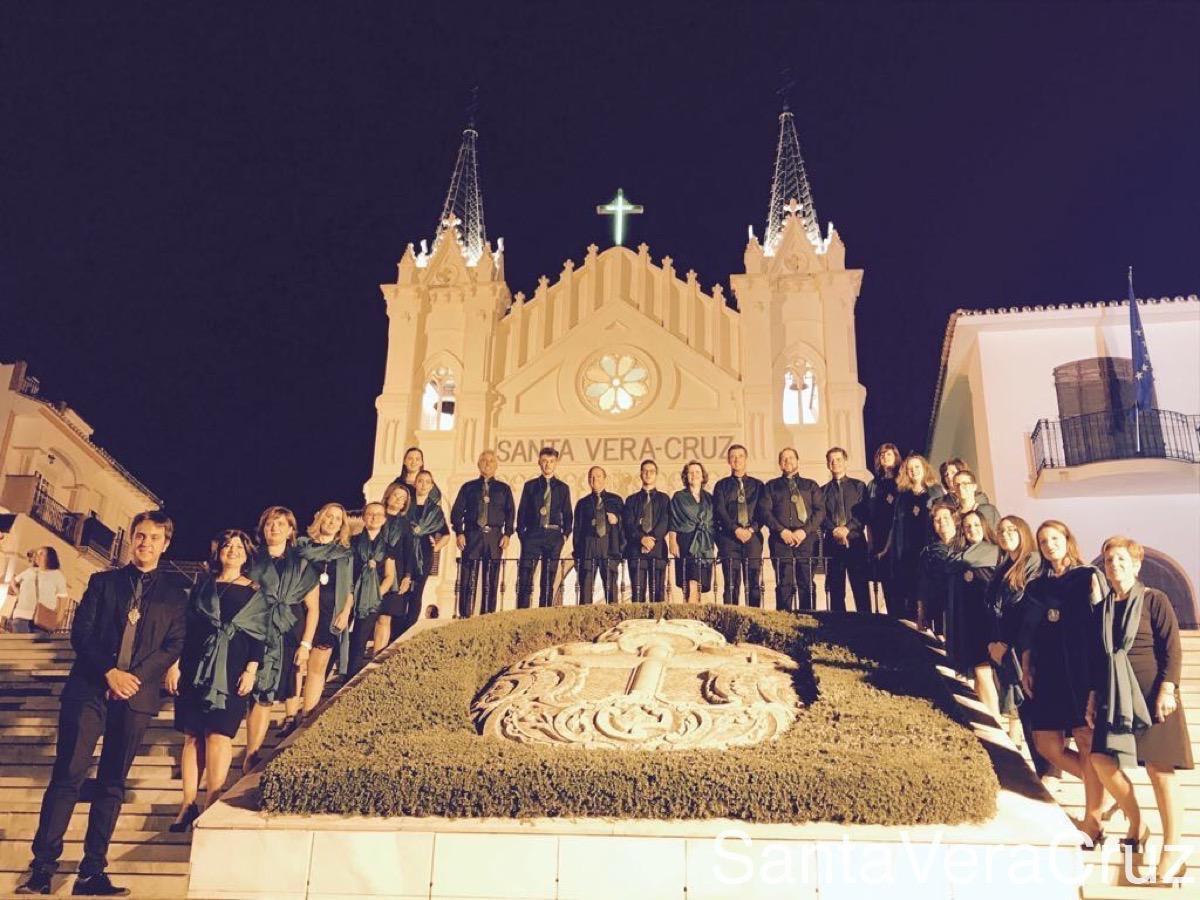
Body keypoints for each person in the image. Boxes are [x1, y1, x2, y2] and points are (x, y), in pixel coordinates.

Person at [18, 511, 187, 898]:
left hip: (136, 698)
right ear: (132, 539)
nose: (145, 543)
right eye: (140, 536)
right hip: (89, 690)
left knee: (112, 784)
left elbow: (174, 645)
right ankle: (42, 869)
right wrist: (110, 672)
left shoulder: (175, 597)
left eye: (154, 537)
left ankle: (92, 872)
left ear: (166, 543)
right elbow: (82, 634)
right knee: (68, 776)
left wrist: (133, 678)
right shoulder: (103, 582)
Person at [1089, 536, 1193, 883]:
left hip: (1152, 696)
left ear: (1136, 565)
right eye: (1108, 561)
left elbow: (1172, 650)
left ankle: (1173, 852)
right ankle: (1137, 821)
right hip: (1114, 698)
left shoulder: (1154, 600)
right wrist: (1093, 697)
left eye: (1121, 559)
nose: (1114, 565)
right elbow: (1098, 661)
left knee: (1160, 772)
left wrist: (1168, 688)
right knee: (1101, 760)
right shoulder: (1103, 608)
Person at [164, 529, 266, 832]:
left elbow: (259, 635)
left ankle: (212, 800)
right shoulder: (203, 586)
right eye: (227, 546)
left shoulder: (256, 591)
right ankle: (187, 803)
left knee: (219, 735)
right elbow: (186, 627)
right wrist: (175, 664)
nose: (232, 551)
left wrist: (251, 670)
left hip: (232, 668)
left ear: (247, 554)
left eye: (238, 547)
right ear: (218, 551)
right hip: (195, 664)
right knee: (193, 735)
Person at [1020, 519, 1106, 845]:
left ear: (1067, 540)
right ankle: (1104, 785)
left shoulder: (1088, 577)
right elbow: (1028, 630)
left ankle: (1093, 820)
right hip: (1048, 670)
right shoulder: (1036, 586)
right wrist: (1027, 664)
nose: (1049, 544)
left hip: (1080, 669)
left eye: (1054, 538)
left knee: (1085, 741)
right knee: (1046, 745)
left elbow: (1101, 623)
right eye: (1043, 541)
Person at [244, 507, 318, 769]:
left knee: (266, 693)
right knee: (251, 692)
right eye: (269, 524)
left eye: (280, 524)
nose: (274, 528)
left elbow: (313, 608)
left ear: (290, 531)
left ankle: (251, 753)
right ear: (263, 529)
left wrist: (306, 644)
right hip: (252, 629)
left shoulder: (302, 564)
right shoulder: (249, 559)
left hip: (287, 632)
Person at [985, 516, 1055, 775]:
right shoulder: (1004, 566)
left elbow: (1027, 609)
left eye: (1011, 529)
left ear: (1023, 532)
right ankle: (1042, 769)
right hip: (1006, 649)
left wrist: (1006, 643)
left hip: (1027, 648)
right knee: (1024, 711)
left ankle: (1049, 770)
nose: (1005, 534)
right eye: (1001, 531)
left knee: (1035, 709)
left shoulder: (1033, 562)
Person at [295, 503, 354, 715]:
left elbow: (349, 587)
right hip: (300, 611)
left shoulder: (345, 553)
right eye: (329, 516)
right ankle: (290, 715)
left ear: (342, 526)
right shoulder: (301, 547)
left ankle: (306, 715)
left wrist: (346, 612)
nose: (332, 521)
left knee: (317, 670)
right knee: (295, 666)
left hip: (330, 612)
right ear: (320, 518)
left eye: (338, 519)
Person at [945, 509, 1004, 717]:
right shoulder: (956, 556)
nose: (972, 530)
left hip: (987, 619)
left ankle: (995, 721)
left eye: (977, 525)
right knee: (979, 674)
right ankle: (988, 717)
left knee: (983, 670)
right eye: (968, 526)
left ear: (985, 526)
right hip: (966, 619)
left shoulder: (995, 552)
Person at [450, 450, 515, 618]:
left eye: (491, 460)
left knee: (491, 577)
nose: (487, 463)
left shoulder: (504, 489)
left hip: (495, 537)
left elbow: (510, 513)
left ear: (496, 465)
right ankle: (465, 614)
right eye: (484, 460)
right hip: (472, 534)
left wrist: (507, 534)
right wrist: (459, 532)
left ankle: (488, 615)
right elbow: (456, 512)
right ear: (479, 464)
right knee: (468, 576)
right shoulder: (468, 487)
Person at [760, 448, 824, 612]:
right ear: (780, 464)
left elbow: (820, 511)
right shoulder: (771, 486)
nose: (787, 460)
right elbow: (765, 512)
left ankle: (809, 619)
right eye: (784, 458)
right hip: (780, 540)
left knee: (806, 582)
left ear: (797, 461)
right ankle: (784, 620)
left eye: (791, 457)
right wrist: (782, 531)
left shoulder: (811, 485)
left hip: (807, 539)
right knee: (784, 582)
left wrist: (804, 531)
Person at [883, 453, 945, 621]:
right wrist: (888, 549)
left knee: (929, 596)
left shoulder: (936, 492)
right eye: (910, 469)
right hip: (907, 552)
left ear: (924, 468)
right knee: (909, 595)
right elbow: (895, 525)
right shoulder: (902, 496)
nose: (914, 471)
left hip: (928, 550)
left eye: (917, 467)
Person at [515, 447, 572, 608]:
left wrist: (564, 535)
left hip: (553, 535)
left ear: (556, 463)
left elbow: (568, 514)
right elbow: (522, 512)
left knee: (548, 577)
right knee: (525, 576)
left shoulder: (563, 488)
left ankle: (544, 610)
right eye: (545, 461)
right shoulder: (530, 486)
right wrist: (523, 535)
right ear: (539, 462)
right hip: (532, 534)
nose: (548, 465)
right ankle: (522, 612)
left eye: (551, 461)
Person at [712, 444, 766, 607]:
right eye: (733, 456)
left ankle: (754, 620)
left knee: (753, 583)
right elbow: (720, 511)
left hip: (753, 538)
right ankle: (731, 619)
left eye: (740, 456)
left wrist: (751, 529)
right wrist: (735, 529)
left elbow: (763, 511)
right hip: (729, 539)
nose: (737, 459)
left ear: (746, 459)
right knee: (730, 584)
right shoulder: (721, 485)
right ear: (729, 461)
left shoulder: (758, 485)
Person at [820, 447, 871, 613]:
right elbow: (821, 516)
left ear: (845, 461)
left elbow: (864, 512)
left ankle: (865, 626)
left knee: (860, 588)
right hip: (833, 545)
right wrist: (835, 530)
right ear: (828, 464)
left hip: (855, 542)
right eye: (831, 460)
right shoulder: (823, 491)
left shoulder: (859, 486)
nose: (835, 463)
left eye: (838, 459)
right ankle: (839, 629)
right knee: (836, 591)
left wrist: (846, 528)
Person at [347, 503, 395, 676]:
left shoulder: (388, 546)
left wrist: (376, 593)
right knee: (346, 636)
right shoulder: (353, 542)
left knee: (361, 636)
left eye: (378, 514)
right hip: (351, 594)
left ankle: (354, 677)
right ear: (364, 517)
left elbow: (390, 576)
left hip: (373, 597)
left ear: (384, 519)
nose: (374, 517)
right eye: (370, 514)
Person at [399, 471, 450, 625]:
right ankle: (396, 629)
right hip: (403, 552)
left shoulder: (435, 510)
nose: (423, 484)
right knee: (401, 591)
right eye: (420, 481)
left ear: (432, 486)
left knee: (416, 593)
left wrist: (435, 548)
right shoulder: (405, 505)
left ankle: (408, 629)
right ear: (415, 483)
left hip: (424, 554)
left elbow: (446, 535)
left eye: (428, 482)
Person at [572, 466, 624, 604]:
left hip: (609, 546)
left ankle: (613, 620)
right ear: (589, 480)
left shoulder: (616, 500)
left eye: (598, 476)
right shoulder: (582, 503)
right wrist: (577, 554)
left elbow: (625, 526)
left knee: (611, 588)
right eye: (592, 477)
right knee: (586, 588)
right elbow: (577, 530)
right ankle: (584, 622)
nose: (595, 479)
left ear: (605, 479)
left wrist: (617, 520)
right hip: (588, 547)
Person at [622, 459, 670, 602]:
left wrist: (651, 540)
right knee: (637, 595)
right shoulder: (631, 500)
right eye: (645, 471)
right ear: (641, 474)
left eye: (651, 471)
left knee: (658, 594)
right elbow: (628, 524)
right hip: (636, 550)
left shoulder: (664, 499)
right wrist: (642, 539)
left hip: (658, 550)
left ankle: (658, 624)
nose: (648, 474)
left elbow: (665, 522)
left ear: (656, 475)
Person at [667, 460, 716, 603]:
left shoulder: (710, 498)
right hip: (686, 541)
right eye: (690, 472)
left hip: (705, 543)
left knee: (700, 584)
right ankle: (689, 614)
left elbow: (713, 521)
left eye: (697, 472)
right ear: (686, 476)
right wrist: (672, 541)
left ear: (703, 476)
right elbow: (673, 520)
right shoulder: (679, 497)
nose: (694, 475)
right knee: (689, 583)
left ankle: (693, 615)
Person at [374, 484, 415, 652]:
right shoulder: (376, 516)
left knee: (385, 618)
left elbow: (409, 552)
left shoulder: (406, 525)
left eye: (403, 498)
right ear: (388, 495)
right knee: (367, 618)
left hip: (395, 575)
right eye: (396, 496)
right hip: (373, 570)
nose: (399, 500)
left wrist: (407, 576)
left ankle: (375, 658)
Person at [915, 501, 959, 636]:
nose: (942, 522)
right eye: (937, 519)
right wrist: (921, 613)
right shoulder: (928, 552)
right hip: (939, 613)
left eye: (946, 518)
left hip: (962, 610)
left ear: (954, 520)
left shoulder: (966, 547)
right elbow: (923, 585)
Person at [866, 443, 901, 616]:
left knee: (901, 584)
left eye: (888, 454)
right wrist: (871, 544)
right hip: (880, 539)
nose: (885, 457)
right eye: (881, 455)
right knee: (887, 584)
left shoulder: (902, 481)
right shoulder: (873, 484)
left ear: (895, 457)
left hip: (899, 540)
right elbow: (870, 518)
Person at [9, 547, 69, 634]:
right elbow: (13, 581)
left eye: (41, 553)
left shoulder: (57, 576)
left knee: (35, 647)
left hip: (42, 619)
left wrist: (58, 620)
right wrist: (19, 594)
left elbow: (63, 599)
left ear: (50, 557)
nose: (37, 555)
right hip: (21, 616)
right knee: (20, 645)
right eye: (36, 553)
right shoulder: (29, 571)